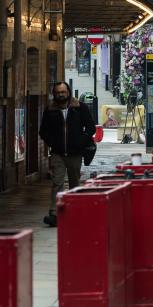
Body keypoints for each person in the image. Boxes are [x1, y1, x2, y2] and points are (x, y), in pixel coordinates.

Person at [38, 81, 96, 227]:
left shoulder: (79, 108)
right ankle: (54, 213)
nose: (60, 95)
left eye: (63, 92)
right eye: (58, 93)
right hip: (58, 154)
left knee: (74, 183)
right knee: (57, 182)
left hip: (75, 153)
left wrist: (80, 142)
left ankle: (74, 212)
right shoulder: (50, 110)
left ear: (68, 93)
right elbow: (43, 131)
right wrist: (53, 143)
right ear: (55, 94)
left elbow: (90, 128)